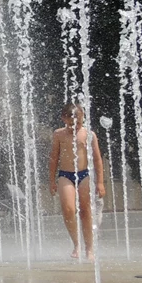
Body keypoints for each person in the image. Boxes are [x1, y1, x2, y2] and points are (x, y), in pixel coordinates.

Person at [48, 103, 106, 262]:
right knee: (68, 209)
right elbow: (54, 158)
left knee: (85, 211)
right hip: (65, 175)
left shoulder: (89, 134)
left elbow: (97, 160)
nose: (75, 126)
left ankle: (89, 248)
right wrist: (52, 181)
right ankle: (76, 244)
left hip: (84, 174)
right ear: (64, 119)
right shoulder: (58, 134)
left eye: (79, 123)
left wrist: (100, 182)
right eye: (72, 123)